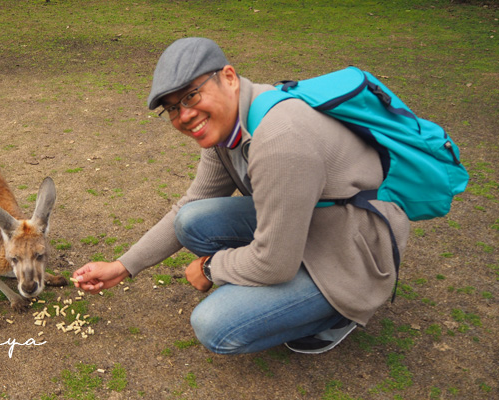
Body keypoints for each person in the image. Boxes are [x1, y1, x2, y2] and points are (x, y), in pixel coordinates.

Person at [71, 37, 410, 354]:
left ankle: (338, 313)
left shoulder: (279, 139)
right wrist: (122, 267)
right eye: (172, 108)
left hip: (352, 252)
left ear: (229, 77)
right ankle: (287, 294)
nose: (184, 115)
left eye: (190, 96)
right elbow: (190, 204)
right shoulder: (226, 130)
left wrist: (210, 268)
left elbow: (274, 263)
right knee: (192, 220)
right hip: (307, 224)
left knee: (215, 326)